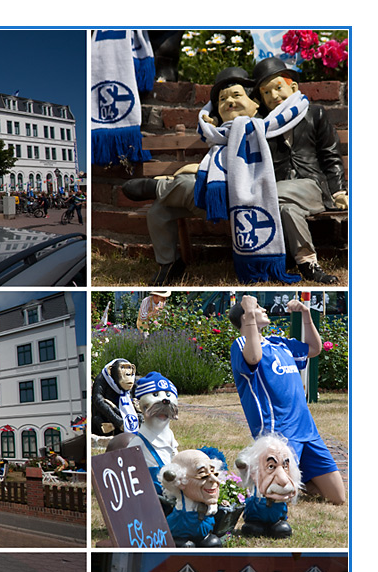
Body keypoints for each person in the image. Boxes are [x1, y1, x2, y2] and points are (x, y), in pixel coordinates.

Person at [122, 67, 262, 282]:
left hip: (242, 199)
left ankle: (158, 187)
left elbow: (244, 169)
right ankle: (169, 264)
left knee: (188, 186)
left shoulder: (261, 130)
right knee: (159, 210)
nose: (229, 102)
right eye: (222, 100)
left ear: (255, 103)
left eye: (236, 95)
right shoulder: (218, 136)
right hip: (212, 197)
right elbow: (216, 166)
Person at [230, 294, 345, 505]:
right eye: (257, 307)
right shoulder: (241, 345)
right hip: (279, 435)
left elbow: (314, 349)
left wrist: (306, 315)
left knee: (338, 497)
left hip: (307, 432)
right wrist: (248, 313)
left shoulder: (279, 343)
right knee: (277, 497)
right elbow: (254, 358)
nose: (264, 309)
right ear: (245, 317)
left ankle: (298, 483)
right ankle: (273, 481)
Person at [251, 57, 347, 285]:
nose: (274, 96)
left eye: (278, 88)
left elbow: (330, 155)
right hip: (283, 194)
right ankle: (308, 264)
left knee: (264, 195)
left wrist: (338, 192)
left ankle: (254, 198)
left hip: (311, 185)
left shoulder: (314, 114)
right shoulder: (262, 124)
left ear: (293, 87)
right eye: (266, 93)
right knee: (286, 209)